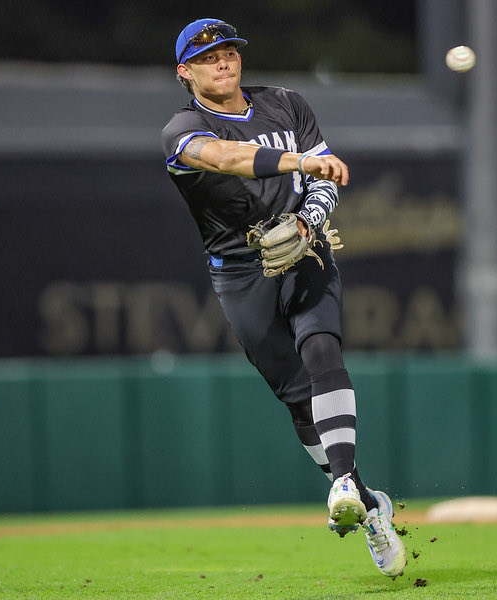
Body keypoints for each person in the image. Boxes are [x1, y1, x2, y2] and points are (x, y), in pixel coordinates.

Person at [162, 18, 406, 578]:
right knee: (297, 398)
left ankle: (344, 482)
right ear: (185, 72)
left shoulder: (286, 104)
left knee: (322, 349)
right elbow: (226, 159)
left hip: (304, 246)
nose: (222, 63)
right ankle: (368, 506)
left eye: (229, 53)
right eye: (207, 58)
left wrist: (310, 218)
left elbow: (323, 178)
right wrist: (300, 162)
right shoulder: (181, 128)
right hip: (240, 271)